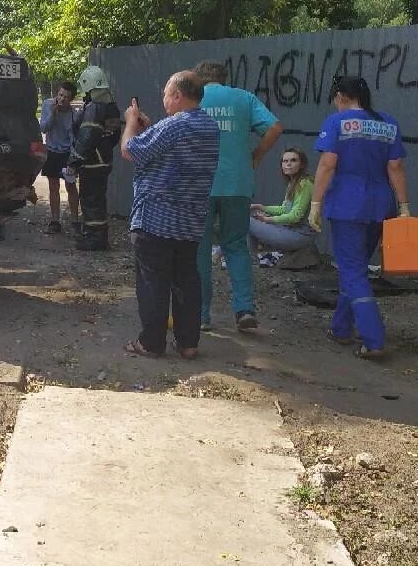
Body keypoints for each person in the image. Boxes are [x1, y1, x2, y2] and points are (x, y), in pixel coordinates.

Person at [119, 72, 220, 359]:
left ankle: (151, 343)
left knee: (153, 283)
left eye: (166, 93)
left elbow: (130, 150)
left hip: (155, 219)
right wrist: (151, 128)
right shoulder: (209, 127)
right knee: (187, 280)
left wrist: (130, 122)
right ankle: (188, 343)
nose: (163, 98)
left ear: (177, 96)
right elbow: (172, 153)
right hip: (189, 220)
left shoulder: (176, 126)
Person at [309, 76, 410, 360]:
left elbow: (328, 165)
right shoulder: (388, 123)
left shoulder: (336, 122)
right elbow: (396, 166)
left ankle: (373, 338)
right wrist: (404, 207)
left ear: (341, 96)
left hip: (347, 204)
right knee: (355, 267)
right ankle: (341, 328)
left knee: (353, 271)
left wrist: (315, 204)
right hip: (380, 204)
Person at [193, 61, 283, 332]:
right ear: (224, 78)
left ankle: (201, 315)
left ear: (199, 79)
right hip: (238, 184)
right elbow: (275, 128)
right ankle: (244, 309)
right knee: (235, 245)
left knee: (199, 248)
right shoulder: (244, 98)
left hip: (200, 185)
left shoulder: (194, 98)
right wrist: (255, 156)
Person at [65, 66, 121, 250]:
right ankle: (99, 236)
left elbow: (86, 137)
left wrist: (74, 161)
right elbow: (113, 137)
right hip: (103, 160)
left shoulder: (94, 108)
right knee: (98, 199)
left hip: (92, 163)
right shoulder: (111, 106)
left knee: (90, 200)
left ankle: (94, 239)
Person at [249, 148, 316, 254]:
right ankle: (246, 254)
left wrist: (267, 219)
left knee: (245, 221)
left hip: (300, 235)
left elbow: (295, 216)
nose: (288, 164)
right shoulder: (293, 183)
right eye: (285, 161)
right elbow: (284, 209)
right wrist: (260, 207)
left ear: (302, 164)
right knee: (252, 212)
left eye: (293, 160)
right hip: (289, 229)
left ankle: (230, 254)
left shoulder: (305, 183)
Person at [38, 81, 80, 233]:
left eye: (66, 97)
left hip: (67, 153)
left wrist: (73, 160)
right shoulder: (48, 105)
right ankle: (55, 220)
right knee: (53, 186)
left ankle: (75, 220)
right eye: (60, 95)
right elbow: (44, 127)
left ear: (71, 100)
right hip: (52, 151)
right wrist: (53, 113)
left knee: (70, 185)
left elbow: (74, 138)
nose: (62, 99)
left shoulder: (74, 115)